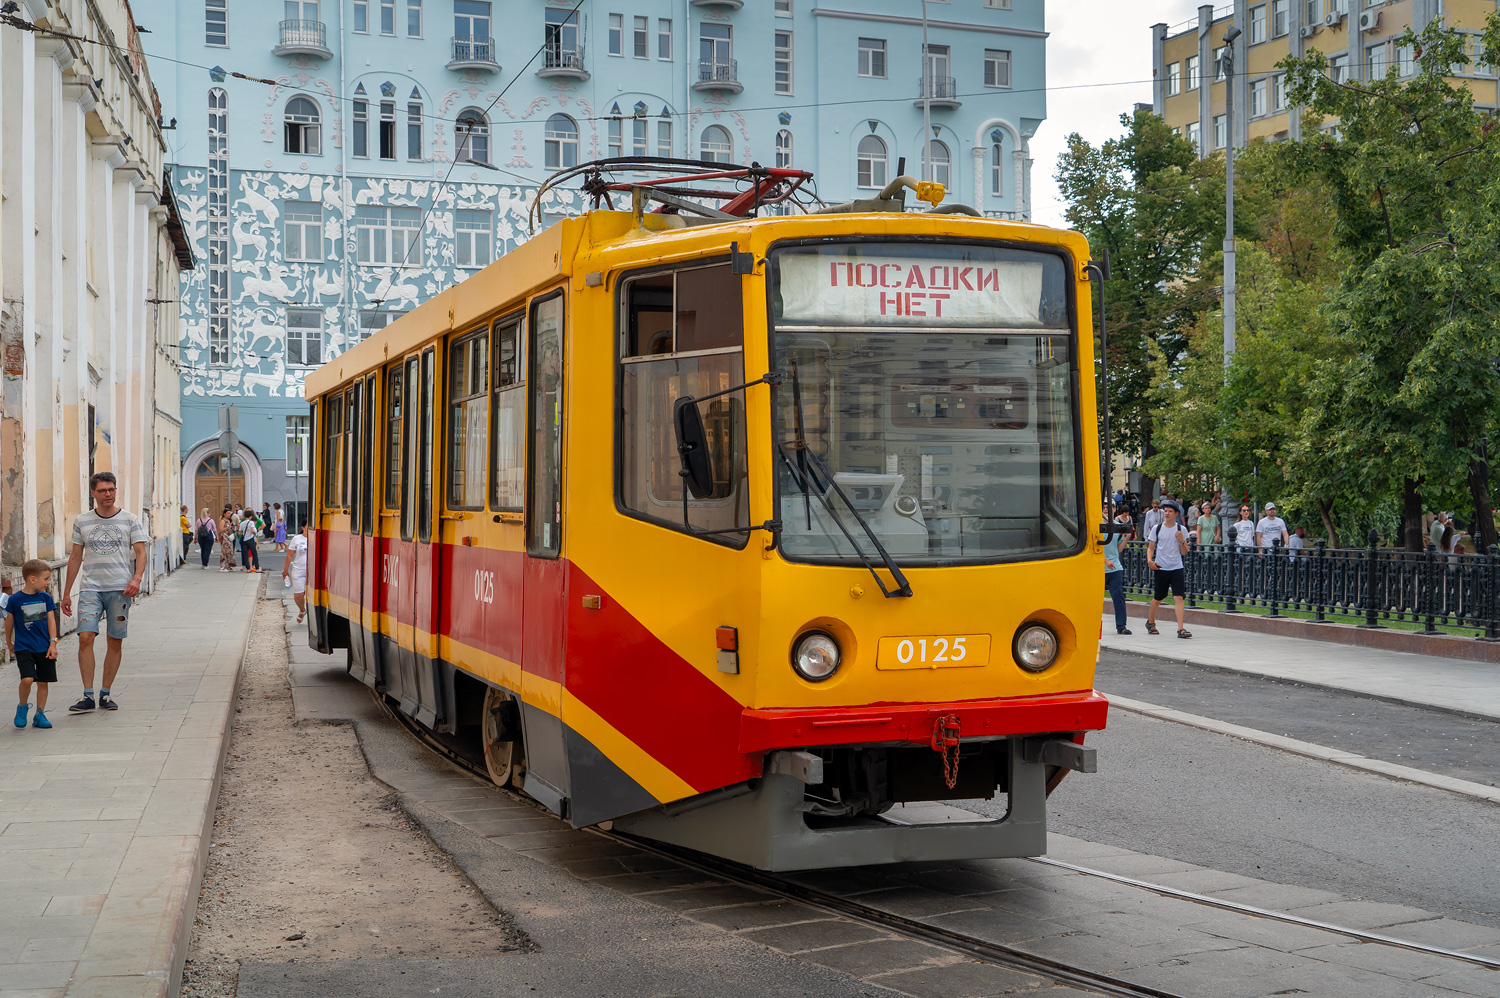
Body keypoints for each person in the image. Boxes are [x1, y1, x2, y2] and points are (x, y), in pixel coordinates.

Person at [60, 471, 149, 713]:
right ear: (93, 493)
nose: (108, 494)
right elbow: (76, 557)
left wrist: (137, 579)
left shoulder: (129, 519)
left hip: (120, 590)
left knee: (115, 639)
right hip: (90, 588)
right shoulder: (82, 521)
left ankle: (106, 693)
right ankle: (87, 694)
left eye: (111, 489)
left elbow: (141, 553)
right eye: (102, 490)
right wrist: (67, 592)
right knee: (86, 637)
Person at [7, 559, 59, 729]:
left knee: (43, 682)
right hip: (24, 647)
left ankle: (40, 714)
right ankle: (22, 707)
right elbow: (9, 623)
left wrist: (53, 643)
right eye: (46, 579)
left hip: (44, 646)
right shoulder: (15, 600)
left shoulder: (46, 598)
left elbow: (51, 621)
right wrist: (9, 643)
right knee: (28, 679)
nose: (48, 582)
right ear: (32, 579)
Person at [1146, 500, 1192, 638]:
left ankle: (1180, 629)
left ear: (1176, 513)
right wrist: (1149, 560)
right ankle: (1151, 622)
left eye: (1170, 511)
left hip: (1176, 567)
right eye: (1165, 511)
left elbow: (1184, 552)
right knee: (1158, 597)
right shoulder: (1157, 528)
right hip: (1161, 567)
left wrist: (1181, 540)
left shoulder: (1181, 529)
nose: (1167, 513)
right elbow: (1151, 547)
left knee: (1179, 597)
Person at [1103, 512, 1132, 635]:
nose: (1106, 510)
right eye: (1103, 508)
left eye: (1108, 507)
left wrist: (1127, 537)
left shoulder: (1117, 526)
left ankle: (1121, 626)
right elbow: (1092, 548)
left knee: (1118, 595)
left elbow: (1119, 549)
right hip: (1098, 568)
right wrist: (1105, 560)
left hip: (1115, 567)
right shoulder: (1093, 525)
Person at [283, 523, 310, 623]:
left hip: (312, 571)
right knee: (298, 595)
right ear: (302, 527)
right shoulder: (297, 539)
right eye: (308, 527)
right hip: (299, 569)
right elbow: (290, 555)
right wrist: (285, 570)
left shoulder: (316, 537)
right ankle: (302, 610)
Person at [219, 507, 238, 572]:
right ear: (224, 514)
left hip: (229, 537)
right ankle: (223, 566)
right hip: (225, 537)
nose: (229, 514)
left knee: (230, 551)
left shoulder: (228, 520)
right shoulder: (222, 521)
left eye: (230, 513)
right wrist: (228, 527)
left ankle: (229, 565)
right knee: (225, 551)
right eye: (228, 513)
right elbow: (221, 530)